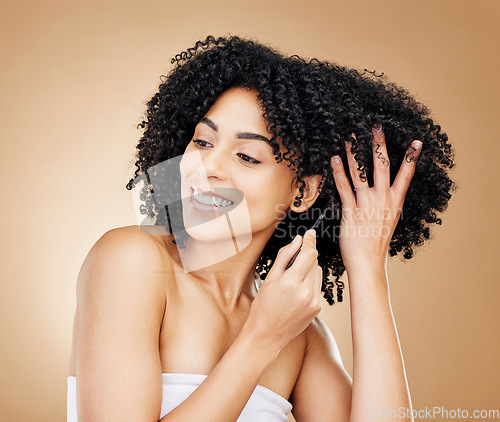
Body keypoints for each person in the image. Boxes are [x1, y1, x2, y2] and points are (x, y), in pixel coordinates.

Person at [67, 35, 456, 421]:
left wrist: (368, 269)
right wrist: (260, 340)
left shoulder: (300, 333)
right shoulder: (129, 260)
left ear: (302, 191)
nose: (208, 168)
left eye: (247, 157)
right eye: (202, 142)